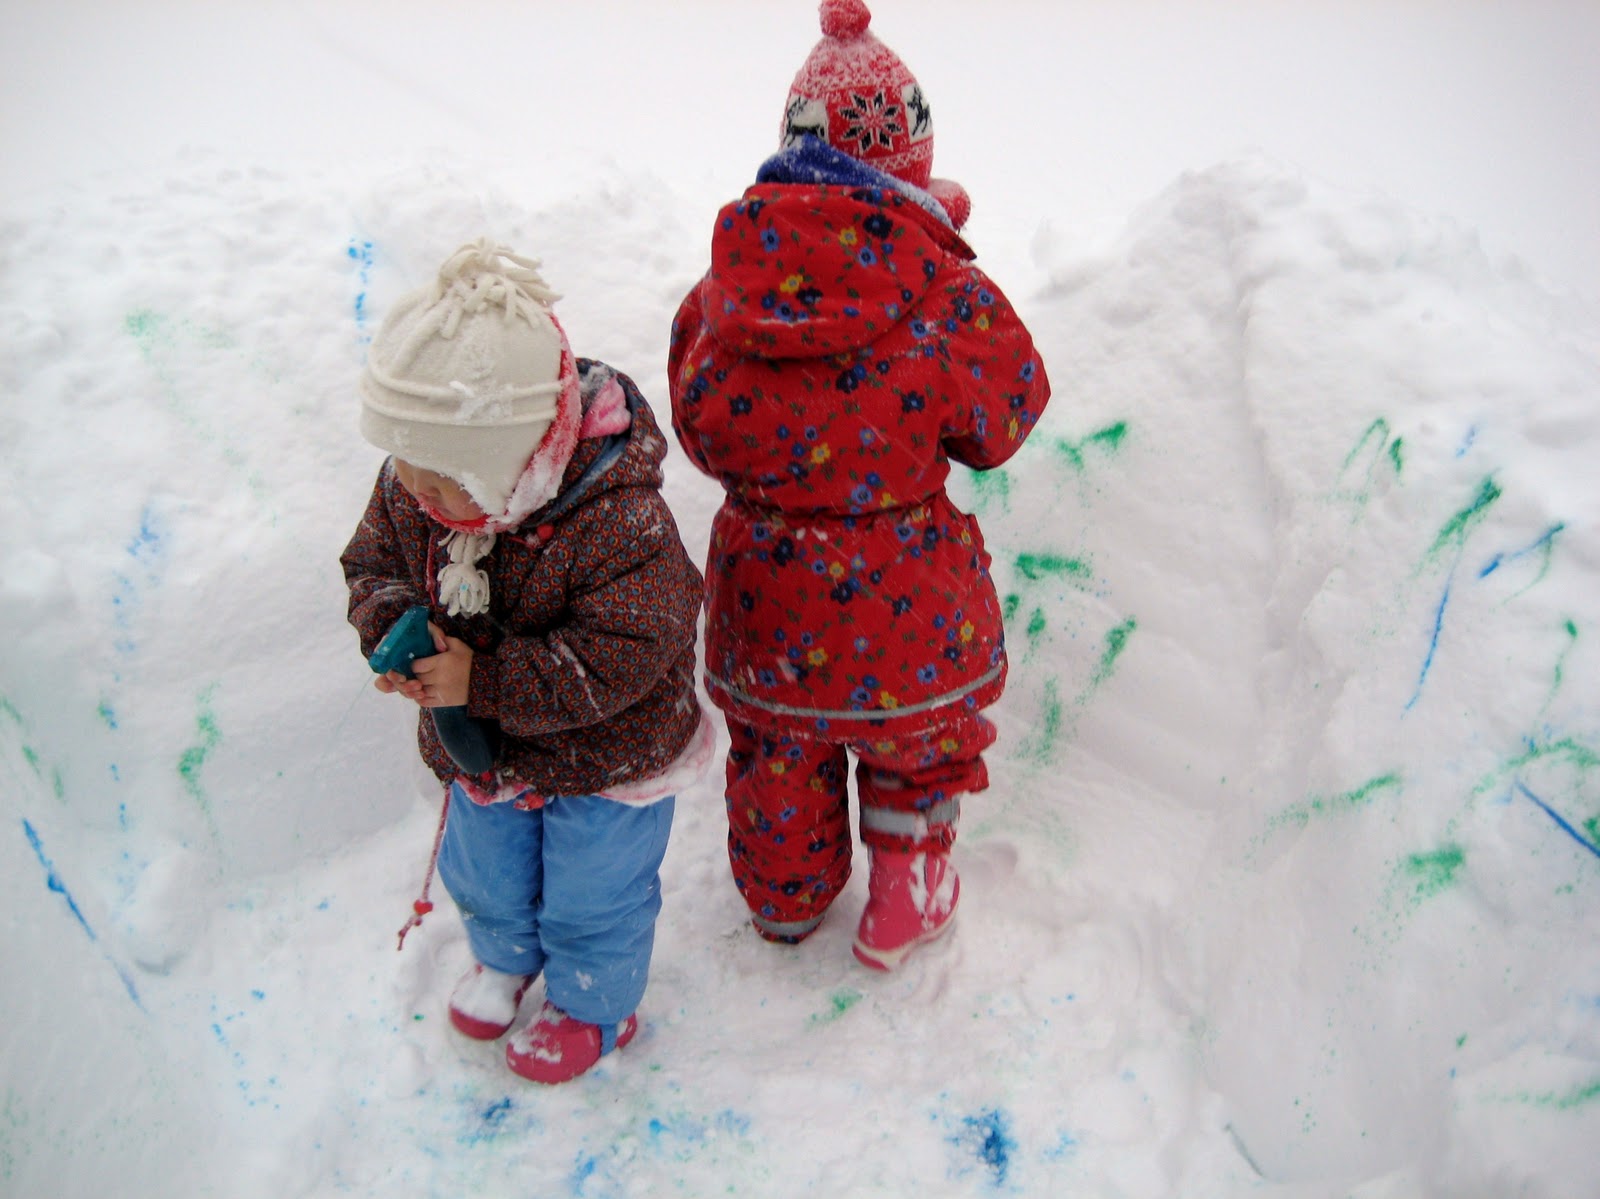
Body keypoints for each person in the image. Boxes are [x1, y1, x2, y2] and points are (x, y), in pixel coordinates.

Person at [667, 0, 1051, 970]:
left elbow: (698, 420)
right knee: (912, 739)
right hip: (903, 596)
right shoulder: (944, 294)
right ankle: (900, 898)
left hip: (766, 591)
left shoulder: (724, 291)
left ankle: (785, 900)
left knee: (778, 753)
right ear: (912, 160)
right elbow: (1004, 417)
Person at [342, 238, 711, 1083]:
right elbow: (374, 565)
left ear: (519, 459)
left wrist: (486, 680)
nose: (421, 501)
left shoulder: (621, 521)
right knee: (486, 868)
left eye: (443, 486)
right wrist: (397, 630)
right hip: (486, 752)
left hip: (606, 756)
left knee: (595, 891)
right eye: (409, 475)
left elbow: (628, 653)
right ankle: (505, 955)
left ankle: (592, 1000)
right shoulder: (422, 482)